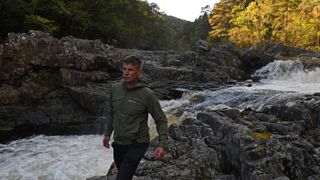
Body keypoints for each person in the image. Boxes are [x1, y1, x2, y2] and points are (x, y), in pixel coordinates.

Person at [103, 55, 169, 180]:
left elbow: (160, 119)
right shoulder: (115, 89)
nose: (126, 73)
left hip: (137, 143)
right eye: (124, 69)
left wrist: (162, 144)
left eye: (131, 70)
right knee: (125, 174)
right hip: (119, 142)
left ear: (139, 72)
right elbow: (111, 113)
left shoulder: (147, 94)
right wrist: (107, 133)